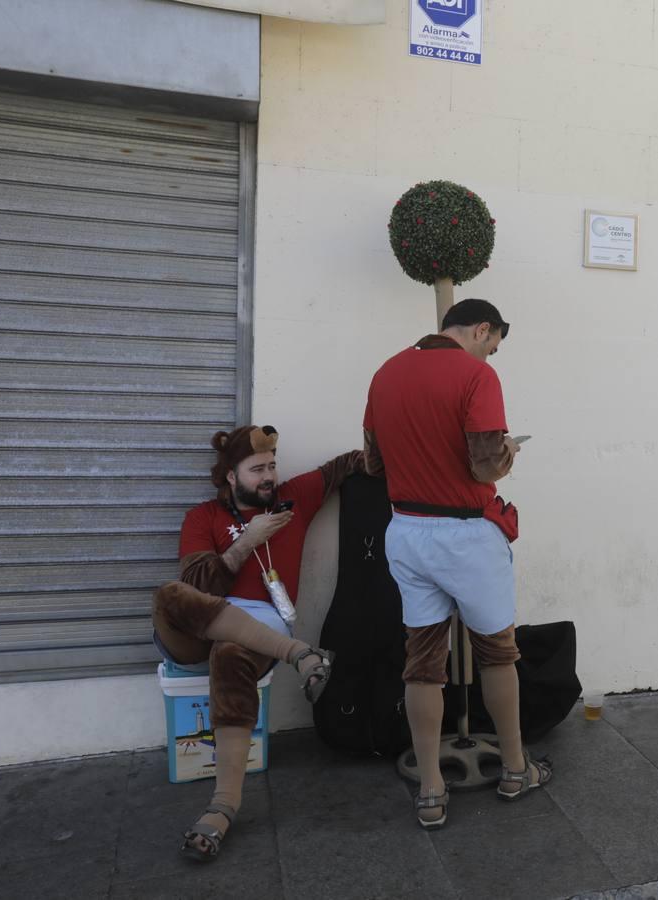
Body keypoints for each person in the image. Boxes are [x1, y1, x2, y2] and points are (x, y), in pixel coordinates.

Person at [362, 298, 552, 829]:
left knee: (422, 660)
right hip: (466, 535)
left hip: (406, 531)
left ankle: (430, 789)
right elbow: (486, 462)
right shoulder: (475, 377)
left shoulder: (386, 372)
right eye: (491, 347)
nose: (490, 358)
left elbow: (373, 462)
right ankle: (516, 768)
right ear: (480, 329)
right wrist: (509, 450)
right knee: (497, 653)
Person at [152, 424, 362, 860]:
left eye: (272, 466)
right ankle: (300, 655)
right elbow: (196, 583)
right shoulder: (202, 518)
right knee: (169, 594)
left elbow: (349, 464)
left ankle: (222, 807)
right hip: (196, 631)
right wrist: (247, 542)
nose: (268, 476)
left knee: (231, 655)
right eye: (256, 469)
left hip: (257, 636)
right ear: (231, 476)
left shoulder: (294, 499)